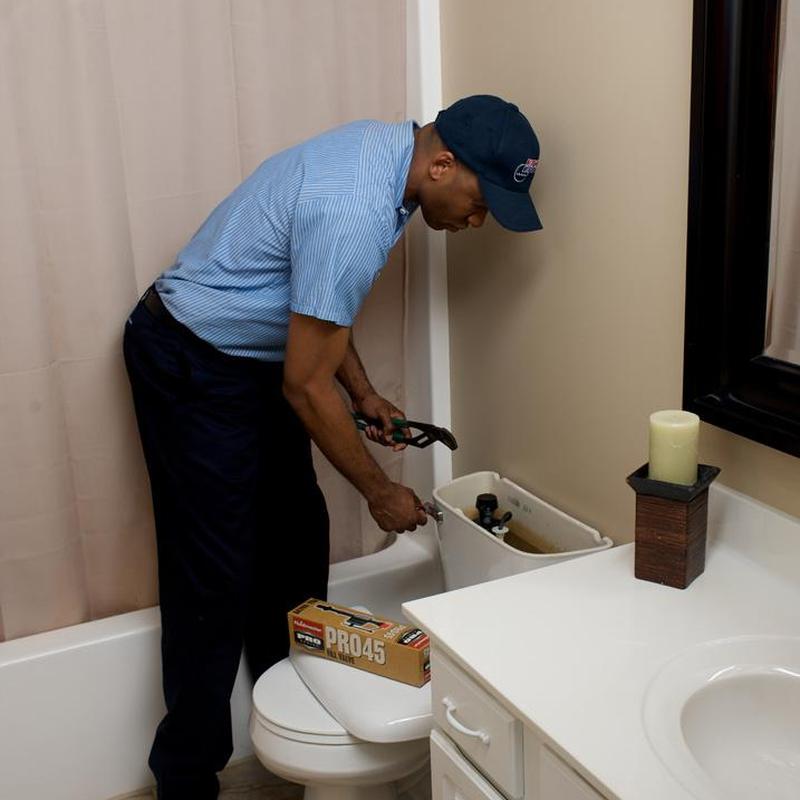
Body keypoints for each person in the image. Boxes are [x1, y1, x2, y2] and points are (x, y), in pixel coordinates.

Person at [123, 94, 541, 799]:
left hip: (257, 361)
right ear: (442, 165)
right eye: (479, 202)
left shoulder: (387, 161)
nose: (476, 222)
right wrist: (380, 491)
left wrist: (365, 396)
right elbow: (305, 385)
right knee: (213, 575)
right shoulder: (354, 206)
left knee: (294, 536)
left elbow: (316, 302)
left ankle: (295, 706)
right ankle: (185, 780)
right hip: (190, 359)